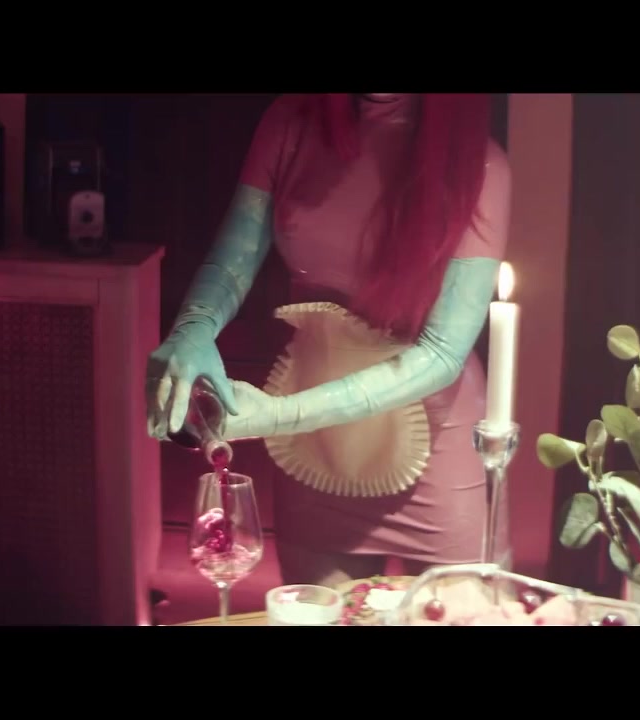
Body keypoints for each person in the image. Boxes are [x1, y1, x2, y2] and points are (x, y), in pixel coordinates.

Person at [147, 94, 512, 586]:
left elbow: (442, 353)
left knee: (459, 613)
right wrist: (193, 327)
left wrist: (281, 415)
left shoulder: (481, 164)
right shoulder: (291, 122)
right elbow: (235, 258)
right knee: (316, 612)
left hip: (435, 449)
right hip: (317, 445)